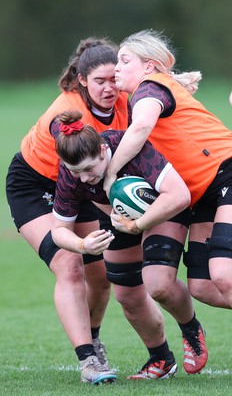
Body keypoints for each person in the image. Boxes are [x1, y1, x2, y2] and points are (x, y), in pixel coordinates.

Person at [6, 37, 130, 385]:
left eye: (114, 79)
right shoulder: (67, 115)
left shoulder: (125, 98)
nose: (109, 88)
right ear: (82, 80)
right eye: (100, 81)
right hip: (36, 184)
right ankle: (88, 359)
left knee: (100, 275)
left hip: (81, 184)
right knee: (69, 262)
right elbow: (80, 166)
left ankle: (93, 337)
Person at [51, 108, 208, 379]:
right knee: (127, 296)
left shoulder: (131, 149)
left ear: (103, 151)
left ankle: (191, 329)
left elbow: (178, 196)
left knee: (158, 285)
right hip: (118, 217)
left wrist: (138, 224)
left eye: (89, 169)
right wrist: (83, 245)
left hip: (162, 207)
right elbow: (59, 230)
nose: (85, 179)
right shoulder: (71, 171)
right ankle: (161, 360)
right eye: (77, 173)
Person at [103, 29, 232, 310]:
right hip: (205, 193)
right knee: (204, 286)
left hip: (227, 174)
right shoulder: (140, 95)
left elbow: (141, 128)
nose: (117, 67)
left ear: (148, 65)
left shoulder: (151, 86)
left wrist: (111, 173)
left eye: (124, 60)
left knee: (224, 275)